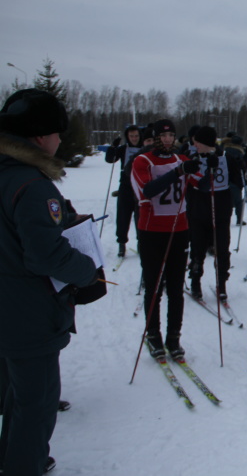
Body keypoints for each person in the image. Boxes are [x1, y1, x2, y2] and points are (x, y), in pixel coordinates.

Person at [0, 89, 101, 475]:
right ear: (41, 136)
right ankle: (24, 464)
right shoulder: (31, 184)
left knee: (16, 394)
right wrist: (87, 268)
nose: (61, 141)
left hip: (9, 309)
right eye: (58, 133)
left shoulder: (9, 175)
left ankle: (11, 456)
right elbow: (44, 255)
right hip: (27, 313)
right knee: (37, 401)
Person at [131, 119, 202, 359]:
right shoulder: (143, 161)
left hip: (179, 230)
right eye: (164, 136)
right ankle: (153, 336)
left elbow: (202, 185)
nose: (169, 140)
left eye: (172, 135)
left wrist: (208, 166)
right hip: (152, 231)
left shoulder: (180, 160)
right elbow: (148, 190)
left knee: (175, 288)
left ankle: (174, 338)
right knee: (153, 287)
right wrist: (178, 172)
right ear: (155, 138)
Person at [186, 126, 243, 301]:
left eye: (198, 142)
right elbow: (189, 184)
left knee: (222, 248)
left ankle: (222, 284)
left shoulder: (226, 158)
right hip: (198, 211)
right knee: (198, 249)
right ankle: (195, 281)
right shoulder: (193, 158)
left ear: (206, 143)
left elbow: (239, 181)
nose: (195, 145)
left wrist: (239, 171)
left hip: (221, 211)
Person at [105, 124, 143, 257]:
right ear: (127, 137)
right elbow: (110, 159)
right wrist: (112, 148)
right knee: (123, 216)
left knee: (140, 216)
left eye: (136, 136)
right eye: (131, 136)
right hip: (126, 186)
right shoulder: (123, 149)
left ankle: (141, 242)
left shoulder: (144, 149)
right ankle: (122, 243)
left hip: (139, 186)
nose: (134, 138)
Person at [221, 132, 247, 226]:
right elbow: (242, 167)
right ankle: (239, 219)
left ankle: (226, 219)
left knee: (227, 202)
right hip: (236, 179)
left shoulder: (225, 149)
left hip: (225, 178)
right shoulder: (239, 152)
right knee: (238, 201)